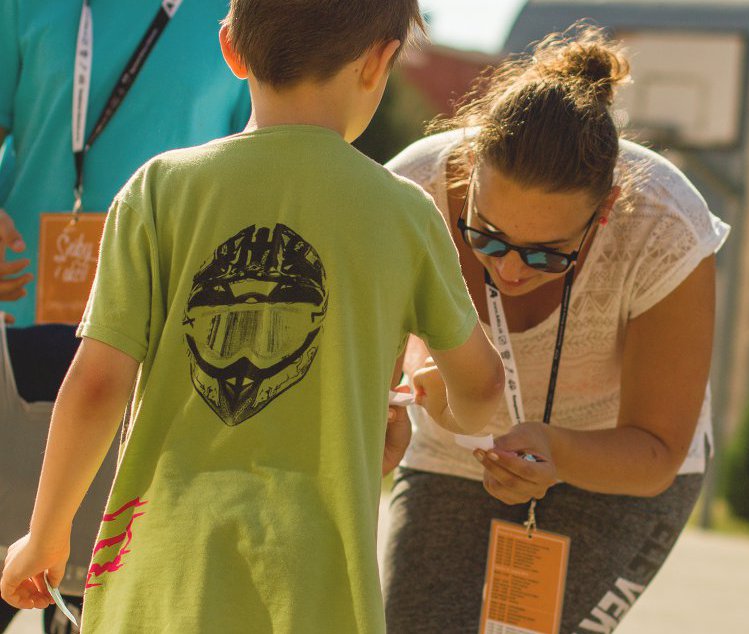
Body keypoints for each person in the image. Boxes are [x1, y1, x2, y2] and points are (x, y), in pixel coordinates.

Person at [0, 1, 504, 632]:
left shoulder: (157, 190)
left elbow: (97, 384)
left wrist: (45, 536)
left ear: (231, 49)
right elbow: (483, 390)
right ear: (380, 61)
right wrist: (431, 394)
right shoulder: (405, 214)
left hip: (156, 584)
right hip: (316, 599)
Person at [382, 25, 730, 633]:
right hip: (452, 457)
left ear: (604, 211)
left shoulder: (665, 226)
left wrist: (559, 451)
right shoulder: (410, 193)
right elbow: (372, 379)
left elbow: (655, 453)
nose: (510, 269)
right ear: (466, 172)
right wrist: (386, 412)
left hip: (614, 468)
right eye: (485, 234)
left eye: (547, 254)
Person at [0, 2, 251, 630]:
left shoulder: (241, 14)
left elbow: (256, 171)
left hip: (153, 351)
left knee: (99, 603)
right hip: (11, 330)